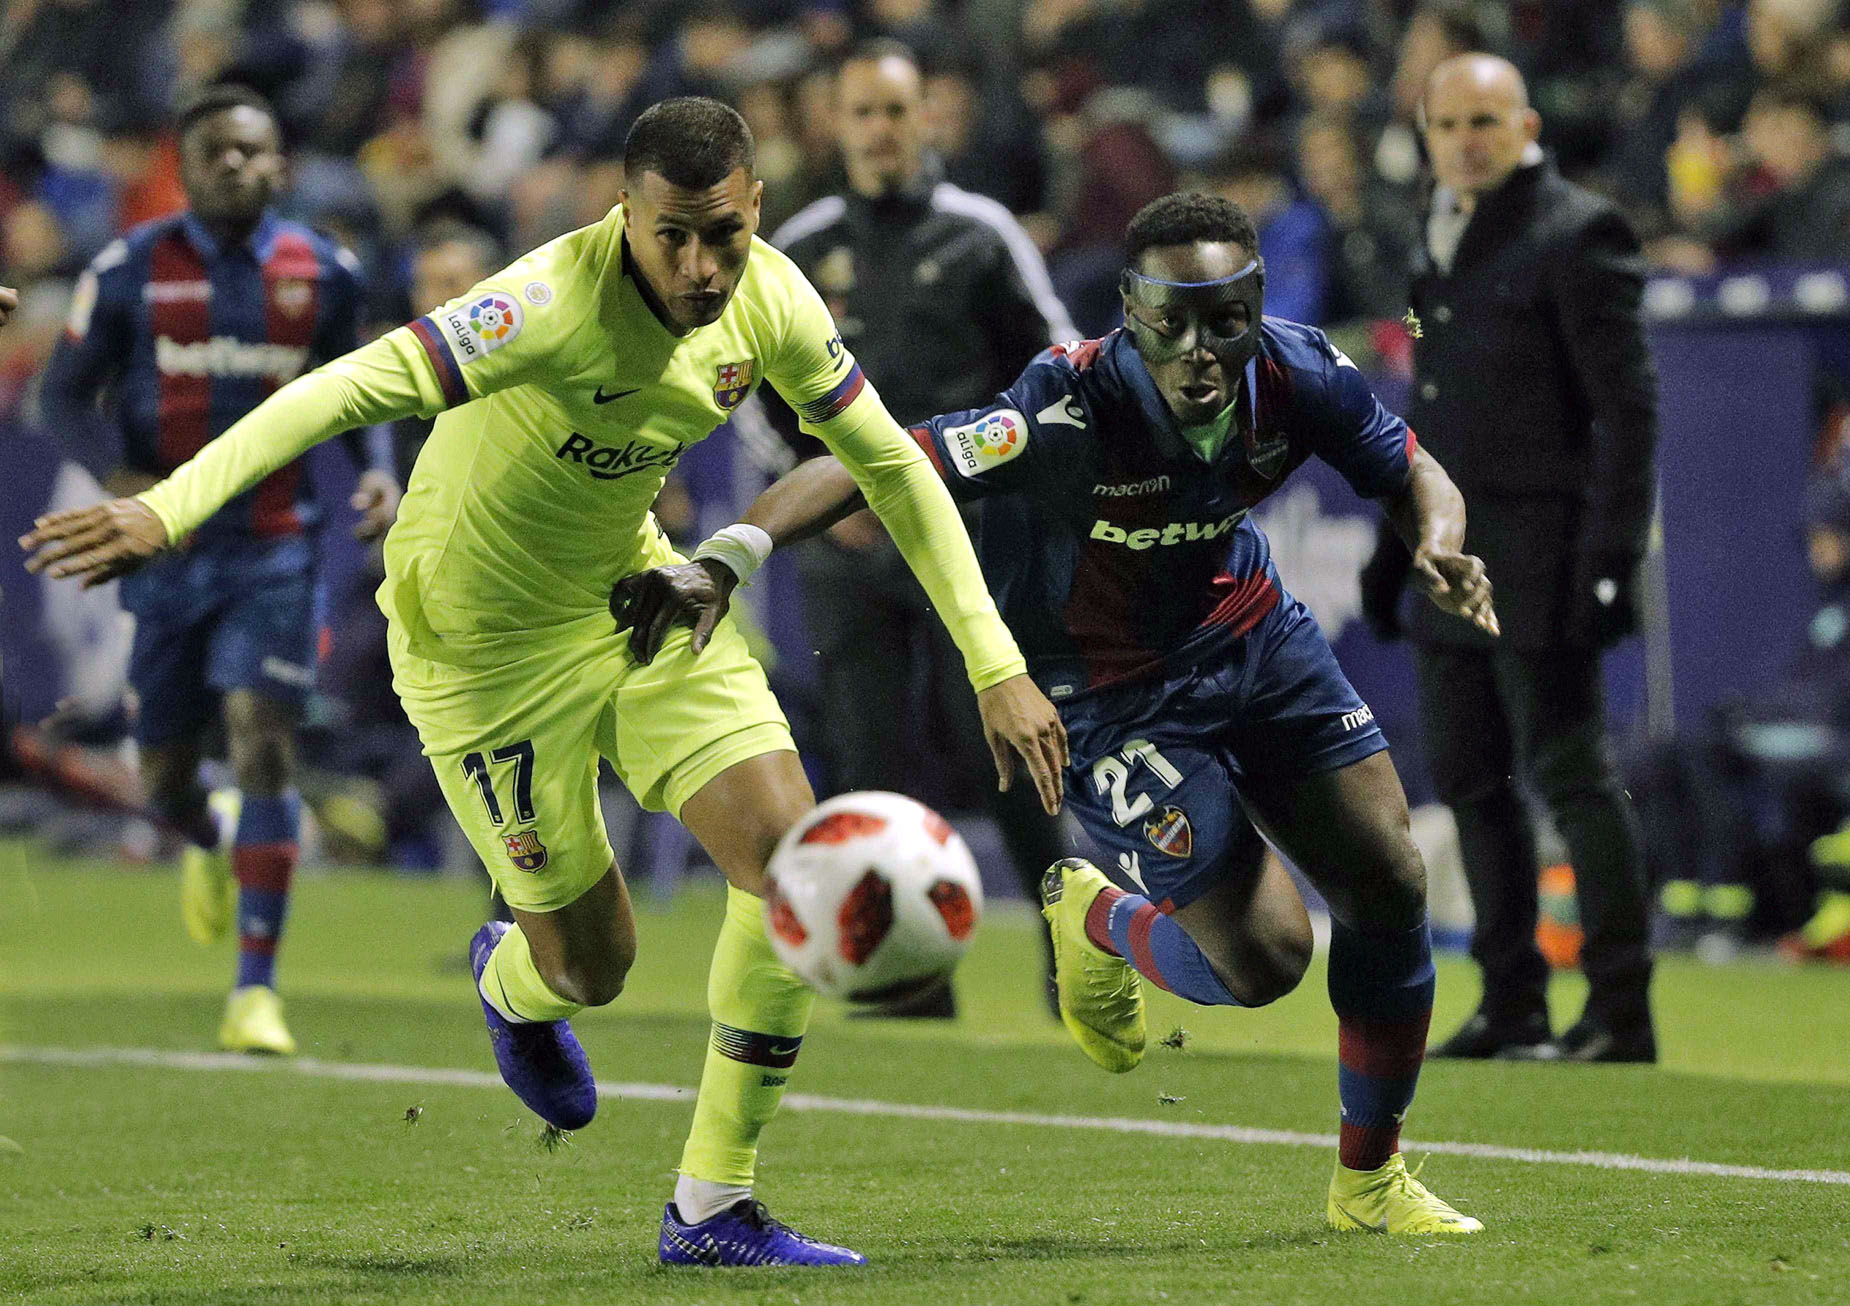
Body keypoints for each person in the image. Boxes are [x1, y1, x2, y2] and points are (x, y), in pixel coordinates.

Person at [22, 96, 1065, 1269]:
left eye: (721, 232)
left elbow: (890, 464)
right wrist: (165, 506)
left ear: (754, 206)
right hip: (479, 645)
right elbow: (346, 387)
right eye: (670, 234)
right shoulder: (545, 305)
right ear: (624, 212)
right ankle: (517, 984)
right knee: (592, 966)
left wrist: (997, 665)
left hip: (633, 597)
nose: (699, 264)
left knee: (791, 859)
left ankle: (712, 1207)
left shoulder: (773, 293)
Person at [619, 191, 1498, 1235]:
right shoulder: (1060, 408)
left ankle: (1368, 1181)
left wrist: (1438, 539)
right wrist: (729, 555)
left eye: (1222, 317)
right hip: (1106, 695)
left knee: (1390, 876)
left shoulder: (1298, 371)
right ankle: (1098, 917)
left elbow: (1408, 468)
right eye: (1168, 319)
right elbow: (876, 457)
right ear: (1129, 312)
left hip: (1253, 638)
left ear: (1254, 305)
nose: (1198, 349)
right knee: (1263, 962)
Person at [35, 85, 402, 1057]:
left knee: (263, 734)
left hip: (278, 547)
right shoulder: (128, 269)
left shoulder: (323, 271)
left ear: (280, 162)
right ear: (187, 168)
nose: (238, 165)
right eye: (218, 153)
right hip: (169, 550)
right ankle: (210, 831)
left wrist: (376, 478)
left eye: (255, 150)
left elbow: (367, 389)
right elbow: (61, 395)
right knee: (162, 778)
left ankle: (254, 991)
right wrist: (125, 482)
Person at [764, 39, 1077, 1017]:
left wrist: (984, 483)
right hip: (847, 544)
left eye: (895, 112)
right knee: (863, 755)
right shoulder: (803, 247)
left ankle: (1071, 948)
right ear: (837, 123)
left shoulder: (979, 233)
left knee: (1003, 744)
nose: (879, 131)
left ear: (925, 119)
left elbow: (1056, 367)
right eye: (861, 112)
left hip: (966, 536)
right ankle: (901, 976)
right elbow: (756, 389)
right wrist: (814, 492)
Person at [1370, 53, 1660, 1063]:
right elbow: (1427, 407)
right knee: (1470, 780)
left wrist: (1611, 555)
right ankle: (1511, 1002)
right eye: (1447, 124)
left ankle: (1620, 1009)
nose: (1465, 140)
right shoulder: (1435, 229)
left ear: (1526, 123)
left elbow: (1625, 412)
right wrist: (1389, 535)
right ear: (1425, 131)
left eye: (1484, 121)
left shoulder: (1576, 231)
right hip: (1451, 553)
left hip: (1544, 550)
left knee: (1570, 773)